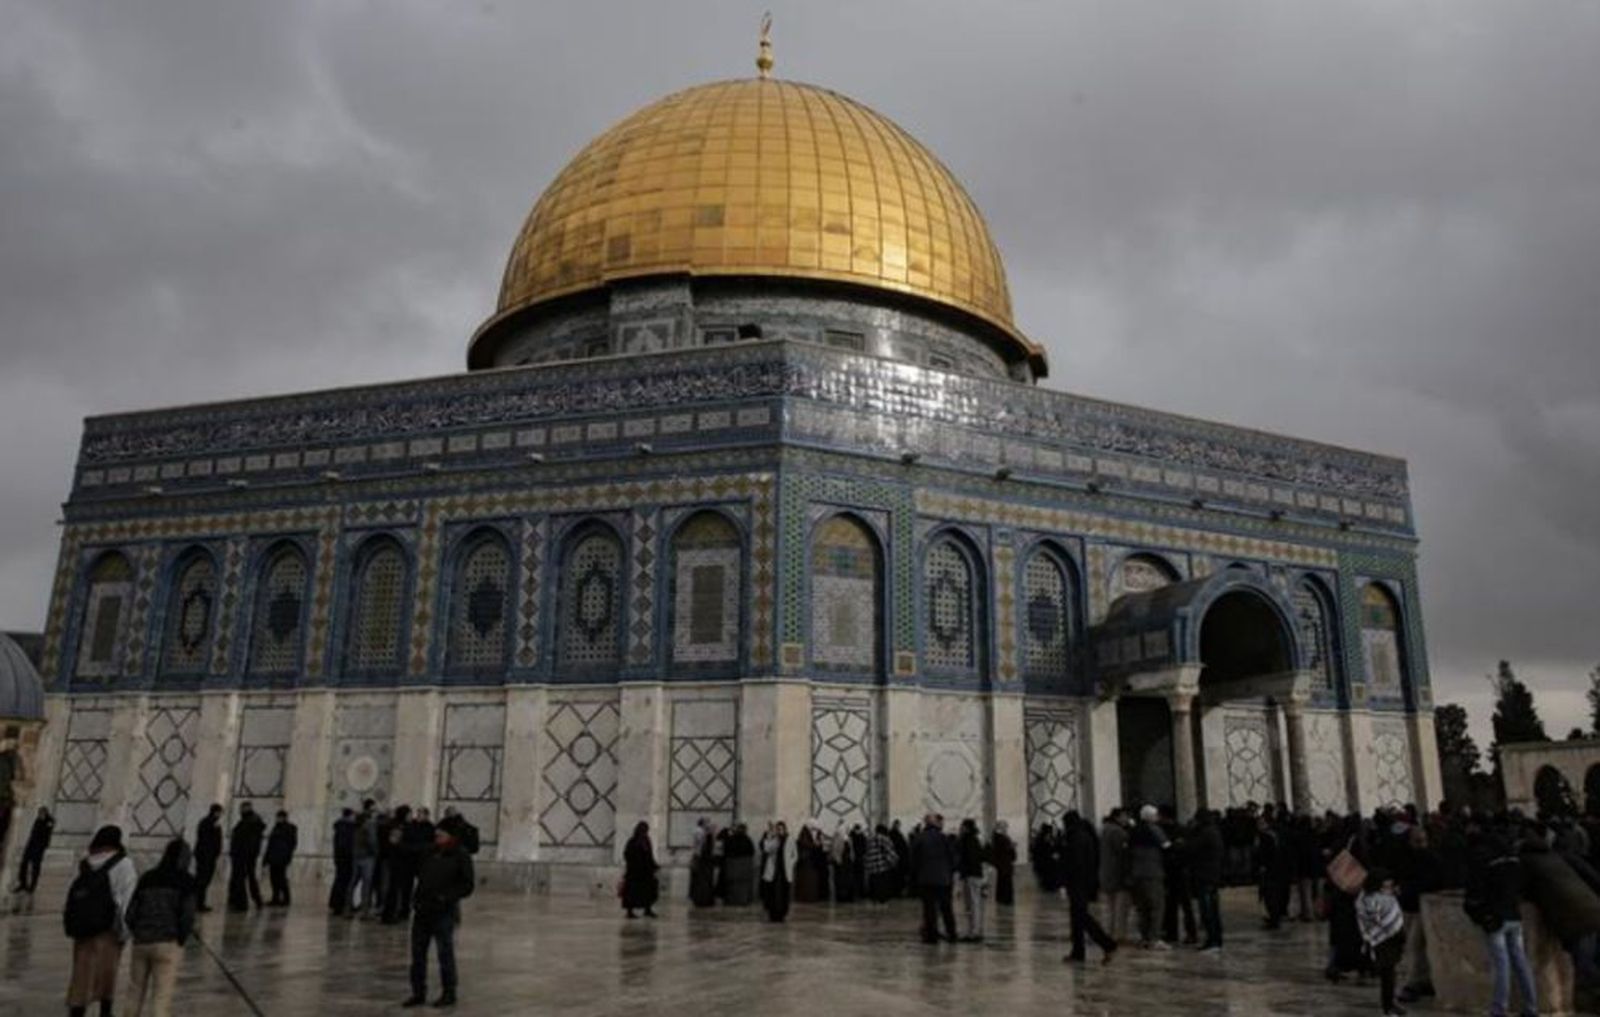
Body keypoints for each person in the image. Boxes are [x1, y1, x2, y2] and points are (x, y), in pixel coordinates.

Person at [64, 824, 138, 1017]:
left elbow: (74, 893)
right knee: (107, 973)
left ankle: (77, 1010)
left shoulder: (84, 862)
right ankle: (105, 1012)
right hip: (108, 929)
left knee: (81, 973)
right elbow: (127, 900)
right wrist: (124, 931)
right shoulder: (124, 864)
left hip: (83, 927)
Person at [1463, 827, 1537, 1017]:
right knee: (1521, 962)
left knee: (1502, 965)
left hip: (1495, 919)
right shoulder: (1514, 862)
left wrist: (1477, 914)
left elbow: (1476, 894)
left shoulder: (1485, 863)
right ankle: (1531, 1007)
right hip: (1514, 916)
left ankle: (1499, 1009)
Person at [1519, 821, 1600, 989]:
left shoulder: (1527, 864)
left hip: (1577, 920)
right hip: (1593, 909)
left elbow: (1523, 891)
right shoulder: (1558, 856)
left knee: (1585, 967)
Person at [402, 826, 475, 1009]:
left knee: (445, 954)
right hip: (423, 910)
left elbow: (467, 885)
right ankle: (418, 992)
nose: (437, 838)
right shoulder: (430, 852)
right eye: (436, 835)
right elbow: (420, 872)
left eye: (440, 835)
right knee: (417, 954)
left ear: (450, 836)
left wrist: (446, 897)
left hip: (443, 912)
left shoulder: (460, 854)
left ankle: (449, 992)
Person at [123, 838, 197, 1017]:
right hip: (167, 942)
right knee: (161, 996)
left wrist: (138, 932)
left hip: (142, 942)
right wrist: (180, 938)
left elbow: (130, 912)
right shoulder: (186, 880)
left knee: (134, 991)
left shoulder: (148, 877)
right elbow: (187, 915)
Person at [1060, 812, 1116, 964]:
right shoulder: (1085, 836)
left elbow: (1075, 863)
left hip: (1078, 883)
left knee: (1081, 916)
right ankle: (1078, 952)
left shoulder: (1076, 838)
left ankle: (1106, 943)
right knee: (1077, 918)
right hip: (1085, 882)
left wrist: (1066, 880)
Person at [1357, 868, 1407, 1017]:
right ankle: (1389, 1005)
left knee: (1389, 973)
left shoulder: (1366, 898)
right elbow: (1379, 919)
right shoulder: (1376, 899)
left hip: (1386, 940)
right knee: (1388, 973)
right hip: (1384, 940)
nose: (1390, 885)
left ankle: (1389, 1003)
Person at [911, 813, 958, 945]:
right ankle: (952, 933)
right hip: (944, 879)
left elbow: (913, 860)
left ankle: (931, 936)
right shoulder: (944, 838)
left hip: (926, 879)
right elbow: (953, 858)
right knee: (946, 908)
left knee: (929, 909)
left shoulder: (919, 838)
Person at [1129, 804, 1169, 950]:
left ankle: (1145, 937)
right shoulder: (1154, 830)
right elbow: (1166, 846)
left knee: (1142, 908)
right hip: (1153, 872)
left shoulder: (1133, 831)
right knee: (1156, 906)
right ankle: (1154, 938)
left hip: (1136, 873)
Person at [1189, 808, 1226, 952]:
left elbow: (1192, 848)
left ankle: (1213, 941)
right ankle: (1214, 939)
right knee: (1211, 909)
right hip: (1211, 875)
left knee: (1208, 910)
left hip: (1206, 876)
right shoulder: (1213, 831)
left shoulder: (1206, 833)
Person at [1099, 808, 1131, 943]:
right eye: (1125, 816)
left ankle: (1110, 932)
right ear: (1118, 817)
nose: (1126, 819)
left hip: (1106, 873)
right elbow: (1123, 854)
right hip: (1118, 875)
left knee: (1111, 907)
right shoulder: (1118, 832)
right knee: (1121, 908)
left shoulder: (1104, 830)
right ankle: (1119, 935)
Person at [227, 801, 265, 912]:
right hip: (245, 855)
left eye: (243, 808)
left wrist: (244, 853)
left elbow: (247, 840)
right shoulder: (249, 821)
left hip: (243, 855)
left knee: (241, 879)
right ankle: (255, 900)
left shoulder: (250, 822)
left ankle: (242, 903)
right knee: (248, 878)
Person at [955, 818, 988, 942]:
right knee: (972, 905)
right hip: (973, 875)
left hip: (971, 876)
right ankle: (973, 930)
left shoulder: (969, 840)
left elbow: (969, 859)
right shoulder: (974, 839)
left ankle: (974, 931)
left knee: (973, 904)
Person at [759, 821, 798, 922]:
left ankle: (783, 914)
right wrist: (769, 836)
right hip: (774, 870)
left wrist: (791, 863)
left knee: (784, 893)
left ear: (785, 829)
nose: (779, 831)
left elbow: (795, 854)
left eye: (781, 829)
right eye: (778, 829)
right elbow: (766, 849)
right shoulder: (774, 840)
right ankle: (773, 914)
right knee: (773, 893)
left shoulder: (790, 839)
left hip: (785, 871)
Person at [12, 805, 53, 897]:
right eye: (40, 813)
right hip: (31, 845)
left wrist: (42, 847)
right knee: (24, 864)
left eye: (42, 813)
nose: (40, 815)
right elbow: (33, 832)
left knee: (35, 867)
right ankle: (23, 883)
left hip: (39, 848)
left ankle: (32, 886)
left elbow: (46, 833)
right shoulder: (38, 820)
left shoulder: (49, 821)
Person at [621, 821, 659, 919]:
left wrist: (653, 865)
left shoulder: (646, 840)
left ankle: (647, 909)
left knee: (648, 891)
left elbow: (649, 855)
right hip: (634, 872)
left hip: (646, 872)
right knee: (632, 892)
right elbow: (627, 854)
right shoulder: (633, 841)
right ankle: (630, 911)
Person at [350, 802, 379, 917]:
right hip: (367, 856)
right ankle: (364, 910)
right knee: (366, 884)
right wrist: (376, 852)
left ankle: (347, 907)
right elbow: (372, 841)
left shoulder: (356, 823)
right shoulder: (369, 824)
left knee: (353, 883)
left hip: (356, 855)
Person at [192, 803, 223, 913]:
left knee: (203, 880)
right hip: (206, 856)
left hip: (205, 856)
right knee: (203, 880)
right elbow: (209, 840)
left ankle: (198, 902)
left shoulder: (207, 822)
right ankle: (199, 903)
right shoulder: (211, 824)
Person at [264, 809, 298, 906]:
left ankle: (286, 899)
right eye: (278, 817)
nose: (278, 819)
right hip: (273, 858)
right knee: (273, 879)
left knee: (281, 879)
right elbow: (270, 844)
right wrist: (266, 859)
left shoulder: (290, 828)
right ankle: (275, 898)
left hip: (282, 858)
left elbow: (292, 844)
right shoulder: (275, 828)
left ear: (284, 818)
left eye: (280, 817)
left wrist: (287, 856)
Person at [329, 808, 356, 914]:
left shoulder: (340, 826)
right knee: (343, 881)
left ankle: (336, 903)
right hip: (346, 858)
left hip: (339, 858)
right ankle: (340, 904)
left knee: (339, 880)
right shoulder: (347, 828)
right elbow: (346, 845)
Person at [723, 823, 757, 906]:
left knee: (733, 885)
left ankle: (732, 901)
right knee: (742, 886)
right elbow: (752, 852)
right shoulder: (747, 839)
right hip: (744, 867)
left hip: (733, 867)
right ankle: (743, 900)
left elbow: (726, 851)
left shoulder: (731, 839)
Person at [865, 824, 900, 904]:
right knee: (883, 886)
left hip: (872, 867)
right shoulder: (884, 839)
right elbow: (890, 852)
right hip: (882, 866)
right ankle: (882, 901)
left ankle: (874, 900)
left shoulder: (870, 839)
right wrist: (894, 861)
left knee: (874, 885)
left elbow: (867, 853)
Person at [689, 818, 718, 908]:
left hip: (701, 860)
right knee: (703, 882)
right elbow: (703, 848)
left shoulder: (701, 833)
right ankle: (703, 899)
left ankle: (699, 898)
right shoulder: (703, 834)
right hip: (704, 861)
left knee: (699, 881)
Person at [990, 820, 1017, 907]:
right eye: (1004, 827)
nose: (1006, 828)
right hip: (1004, 863)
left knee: (1003, 882)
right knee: (1005, 882)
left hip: (1004, 863)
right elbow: (1003, 850)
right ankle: (1005, 899)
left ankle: (1003, 898)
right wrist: (1011, 847)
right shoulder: (1001, 838)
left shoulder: (999, 837)